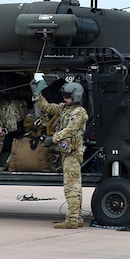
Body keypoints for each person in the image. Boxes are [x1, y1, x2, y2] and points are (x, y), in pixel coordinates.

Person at [37, 81, 89, 229]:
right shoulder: (65, 109)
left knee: (71, 187)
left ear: (76, 97)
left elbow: (71, 130)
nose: (65, 99)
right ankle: (76, 217)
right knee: (74, 186)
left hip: (73, 154)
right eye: (64, 96)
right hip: (67, 153)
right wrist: (38, 95)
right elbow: (47, 107)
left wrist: (52, 139)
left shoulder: (79, 112)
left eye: (68, 97)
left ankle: (72, 220)